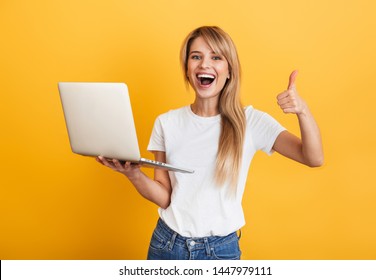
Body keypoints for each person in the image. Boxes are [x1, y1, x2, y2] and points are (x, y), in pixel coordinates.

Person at [96, 26, 323, 260]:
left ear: (229, 71)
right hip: (167, 245)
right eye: (196, 57)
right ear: (187, 70)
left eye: (216, 57)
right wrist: (133, 174)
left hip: (221, 251)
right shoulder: (167, 122)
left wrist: (302, 111)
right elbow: (166, 197)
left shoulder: (251, 122)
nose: (204, 64)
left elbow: (313, 158)